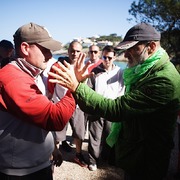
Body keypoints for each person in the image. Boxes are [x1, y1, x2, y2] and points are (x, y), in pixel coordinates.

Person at [48, 23, 180, 180]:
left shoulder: (162, 79)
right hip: (139, 154)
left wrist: (76, 86)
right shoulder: (146, 71)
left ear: (151, 46)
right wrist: (81, 84)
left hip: (147, 159)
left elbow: (117, 109)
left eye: (132, 49)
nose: (126, 55)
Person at [0, 22, 76, 180]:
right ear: (25, 48)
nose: (50, 56)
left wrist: (51, 148)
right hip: (21, 172)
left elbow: (39, 118)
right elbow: (54, 118)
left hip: (36, 163)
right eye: (45, 49)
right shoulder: (13, 78)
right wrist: (74, 88)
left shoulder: (31, 73)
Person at [48, 40, 88, 167]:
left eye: (77, 51)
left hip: (77, 106)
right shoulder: (58, 66)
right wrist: (53, 99)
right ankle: (55, 154)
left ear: (81, 53)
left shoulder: (83, 67)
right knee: (58, 134)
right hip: (60, 104)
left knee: (79, 133)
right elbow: (51, 83)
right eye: (72, 51)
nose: (74, 53)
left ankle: (78, 155)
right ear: (68, 51)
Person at [87, 45, 125, 171]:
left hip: (112, 111)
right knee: (94, 137)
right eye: (104, 57)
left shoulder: (120, 72)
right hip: (97, 110)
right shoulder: (95, 71)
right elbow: (89, 90)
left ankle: (107, 158)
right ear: (101, 56)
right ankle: (92, 161)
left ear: (114, 57)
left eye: (109, 57)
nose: (107, 60)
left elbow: (122, 91)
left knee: (110, 137)